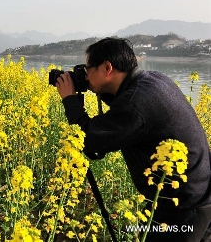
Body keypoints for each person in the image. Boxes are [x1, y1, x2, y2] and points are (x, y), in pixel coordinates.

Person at [55, 37, 211, 242]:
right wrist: (99, 89)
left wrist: (69, 100)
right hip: (199, 196)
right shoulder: (152, 80)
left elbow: (89, 139)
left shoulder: (136, 102)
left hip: (182, 207)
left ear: (107, 67)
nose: (85, 76)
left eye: (87, 69)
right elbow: (126, 110)